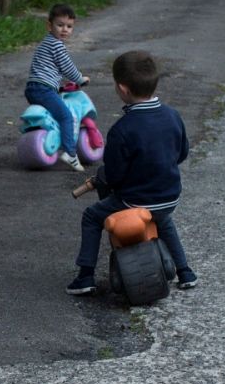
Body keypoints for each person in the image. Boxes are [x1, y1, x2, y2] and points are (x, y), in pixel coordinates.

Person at [66, 50, 195, 295]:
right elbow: (182, 153)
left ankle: (85, 276)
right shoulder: (173, 116)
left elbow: (114, 175)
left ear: (123, 89)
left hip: (134, 201)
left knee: (92, 217)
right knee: (163, 219)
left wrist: (102, 177)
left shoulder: (122, 129)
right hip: (169, 197)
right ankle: (185, 272)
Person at [24, 3, 89, 172]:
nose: (64, 30)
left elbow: (47, 69)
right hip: (43, 89)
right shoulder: (57, 45)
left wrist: (58, 87)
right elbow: (67, 67)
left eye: (69, 26)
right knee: (66, 116)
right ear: (49, 25)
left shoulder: (44, 43)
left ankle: (50, 137)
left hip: (33, 88)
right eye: (60, 25)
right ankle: (70, 153)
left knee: (55, 114)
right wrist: (80, 79)